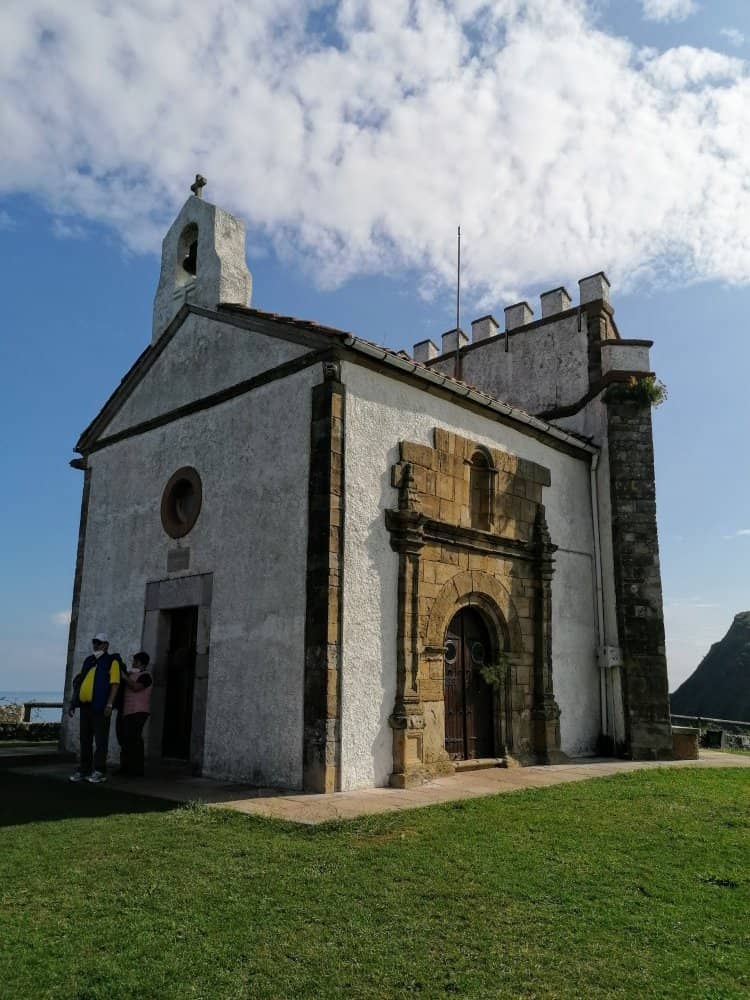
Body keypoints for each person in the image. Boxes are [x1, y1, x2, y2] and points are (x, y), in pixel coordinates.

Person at [68, 634, 121, 783]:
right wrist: (73, 703)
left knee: (100, 740)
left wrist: (109, 704)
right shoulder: (89, 661)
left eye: (99, 642)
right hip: (86, 706)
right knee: (85, 739)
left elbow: (115, 684)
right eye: (94, 642)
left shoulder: (112, 662)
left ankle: (99, 771)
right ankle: (84, 769)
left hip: (101, 707)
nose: (95, 645)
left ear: (106, 645)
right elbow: (80, 681)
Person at [115, 651, 153, 777]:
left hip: (138, 712)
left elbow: (136, 687)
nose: (133, 663)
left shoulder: (146, 676)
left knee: (134, 740)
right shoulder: (131, 674)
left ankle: (136, 770)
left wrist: (125, 677)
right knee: (125, 740)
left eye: (136, 661)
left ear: (142, 664)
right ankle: (125, 768)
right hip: (127, 712)